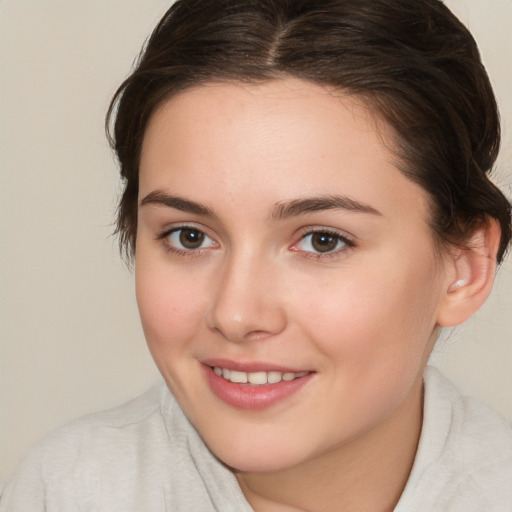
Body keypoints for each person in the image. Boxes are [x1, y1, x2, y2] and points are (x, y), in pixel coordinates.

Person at [1, 0, 511, 510]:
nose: (236, 314)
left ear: (464, 268)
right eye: (189, 236)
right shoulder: (67, 490)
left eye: (322, 241)